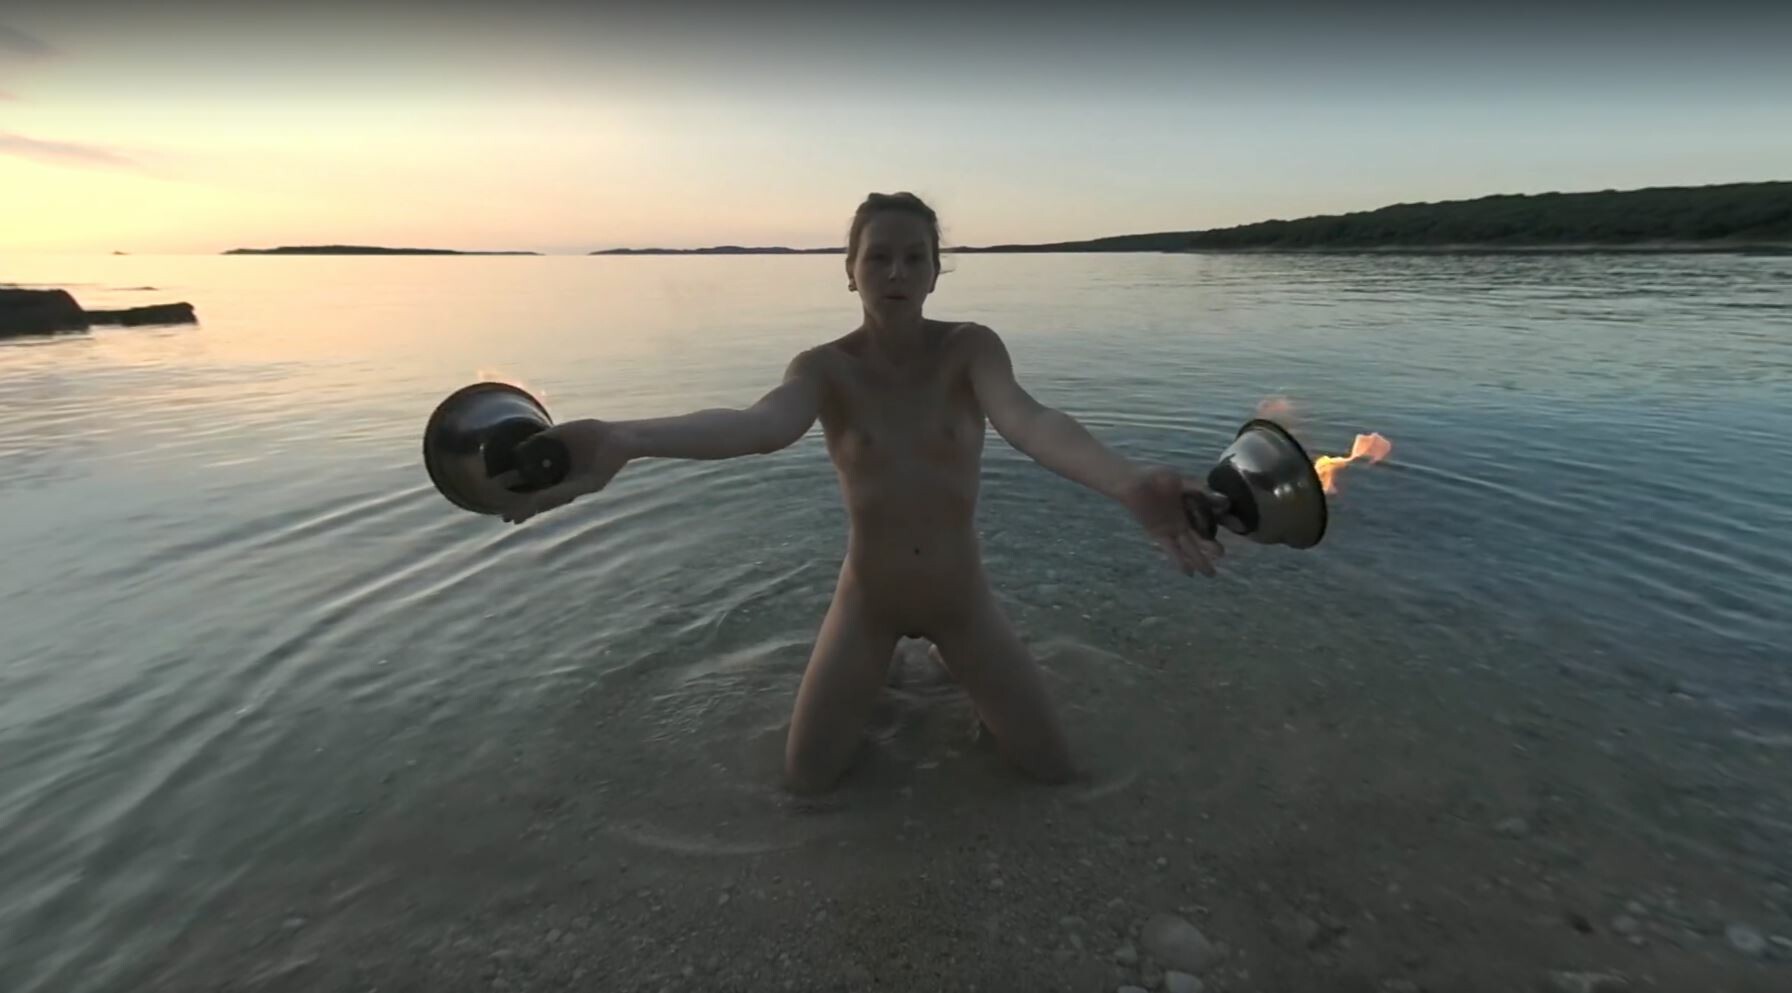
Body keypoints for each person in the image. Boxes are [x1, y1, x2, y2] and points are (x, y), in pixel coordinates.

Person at [499, 192, 1227, 794]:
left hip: (960, 600)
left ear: (937, 273)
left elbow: (1030, 422)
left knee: (1053, 773)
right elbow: (760, 426)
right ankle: (896, 670)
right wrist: (626, 437)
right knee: (806, 784)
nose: (896, 271)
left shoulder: (971, 349)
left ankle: (936, 667)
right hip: (868, 602)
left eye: (915, 257)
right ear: (850, 271)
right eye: (877, 256)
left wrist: (1125, 481)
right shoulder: (823, 369)